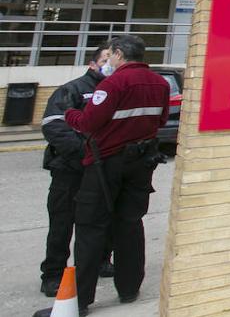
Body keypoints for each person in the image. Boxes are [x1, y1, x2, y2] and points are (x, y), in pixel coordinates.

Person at [35, 35, 169, 317]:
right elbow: (160, 121)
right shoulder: (160, 84)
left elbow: (87, 123)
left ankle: (79, 301)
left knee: (90, 227)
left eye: (111, 56)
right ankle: (129, 288)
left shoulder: (112, 84)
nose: (108, 61)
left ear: (119, 54)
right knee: (130, 224)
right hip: (140, 163)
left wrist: (71, 114)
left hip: (105, 163)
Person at [38, 44, 113, 296]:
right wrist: (85, 153)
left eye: (112, 58)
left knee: (100, 219)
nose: (109, 63)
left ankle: (101, 260)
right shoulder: (73, 90)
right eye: (105, 59)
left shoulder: (115, 90)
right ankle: (53, 274)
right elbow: (53, 126)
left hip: (101, 169)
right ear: (92, 64)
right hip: (70, 169)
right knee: (62, 221)